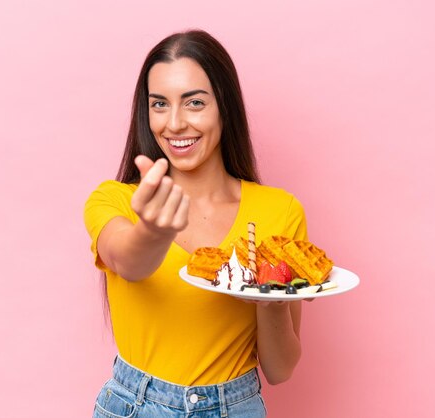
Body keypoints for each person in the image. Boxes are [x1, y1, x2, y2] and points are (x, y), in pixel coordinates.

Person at [84, 29, 308, 418]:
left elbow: (280, 369)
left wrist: (268, 299)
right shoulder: (116, 200)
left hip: (236, 407)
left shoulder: (280, 211)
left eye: (194, 103)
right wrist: (154, 231)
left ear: (225, 107)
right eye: (159, 104)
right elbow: (128, 262)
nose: (174, 123)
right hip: (135, 407)